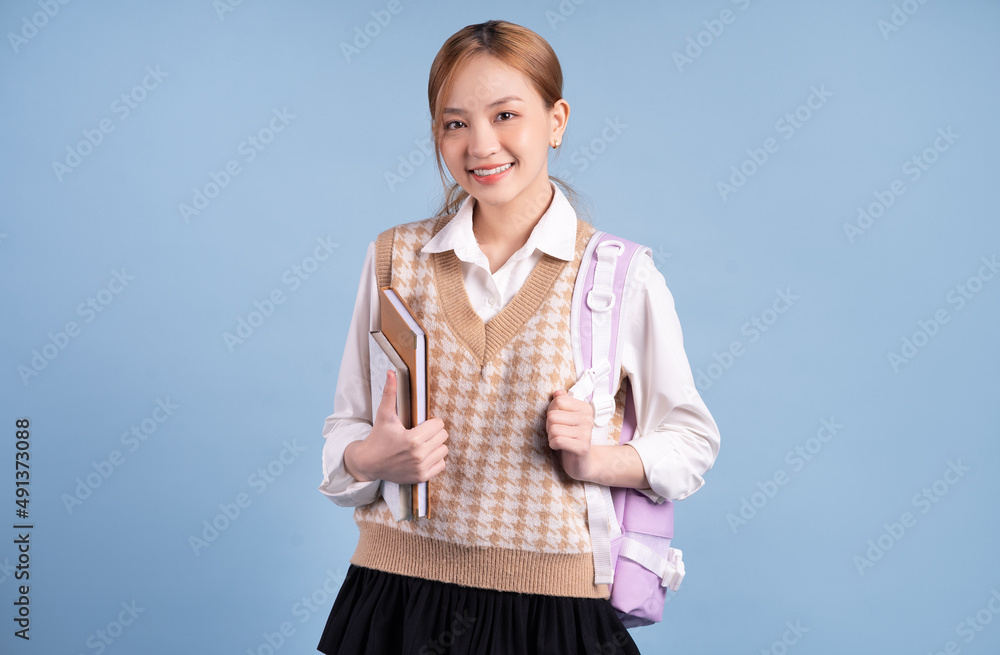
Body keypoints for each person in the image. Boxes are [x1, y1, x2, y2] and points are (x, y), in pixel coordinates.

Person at [316, 19, 720, 655]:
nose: (481, 144)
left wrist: (598, 459)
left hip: (552, 609)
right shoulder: (394, 257)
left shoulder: (617, 275)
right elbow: (346, 428)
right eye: (455, 123)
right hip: (398, 597)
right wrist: (373, 458)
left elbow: (692, 441)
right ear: (437, 135)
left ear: (556, 121)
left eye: (506, 114)